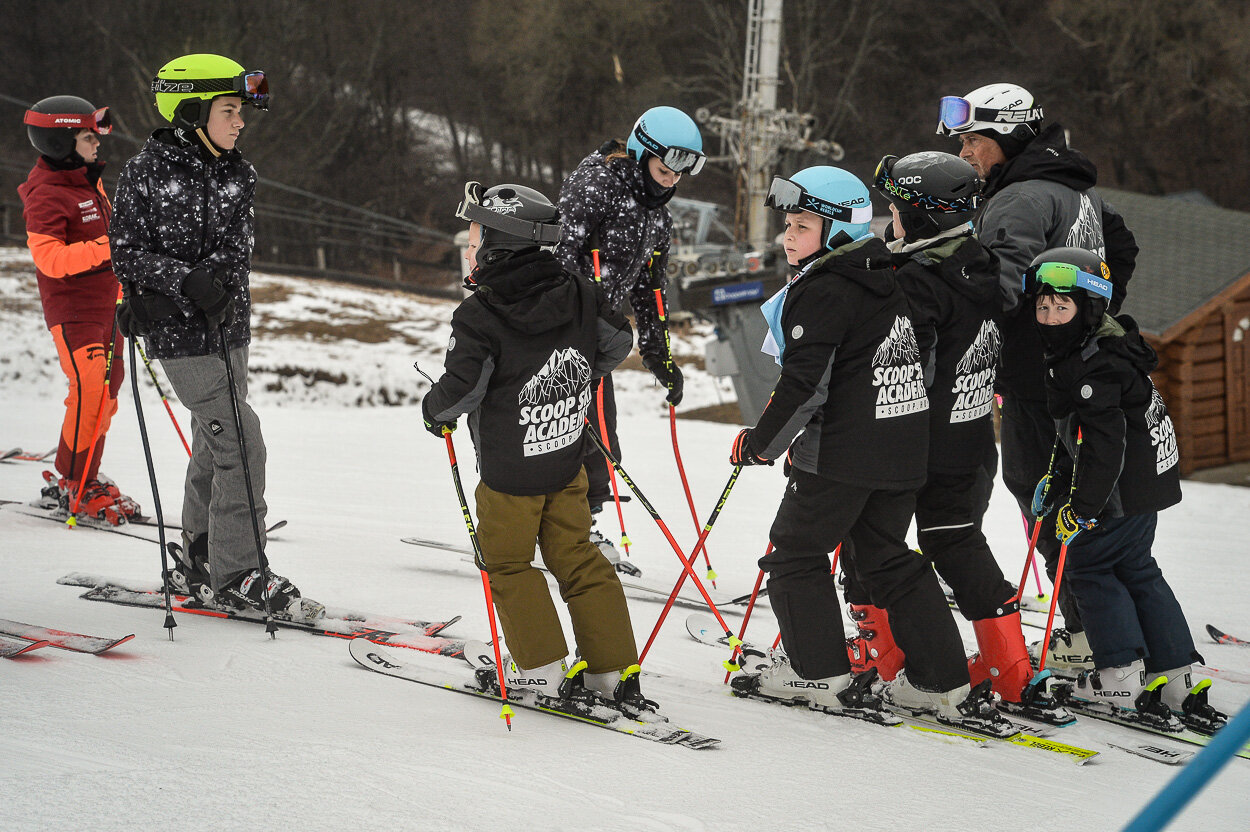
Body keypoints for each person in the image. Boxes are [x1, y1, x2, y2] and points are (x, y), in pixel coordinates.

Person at [726, 165, 1009, 734]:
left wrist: (761, 444)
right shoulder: (890, 274)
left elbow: (806, 384)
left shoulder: (825, 288)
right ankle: (941, 682)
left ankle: (818, 674)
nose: (787, 237)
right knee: (885, 559)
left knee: (794, 557)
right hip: (904, 451)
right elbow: (921, 361)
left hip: (843, 456)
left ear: (834, 231)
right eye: (787, 224)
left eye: (801, 225)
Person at [850, 150, 1067, 722]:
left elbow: (901, 369)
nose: (888, 221)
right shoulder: (985, 266)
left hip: (916, 449)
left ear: (919, 219)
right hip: (971, 443)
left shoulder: (919, 285)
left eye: (895, 211)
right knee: (957, 541)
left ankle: (889, 658)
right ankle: (1012, 669)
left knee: (872, 546)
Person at [421, 182, 651, 714]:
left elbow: (463, 388)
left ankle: (542, 671)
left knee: (507, 563)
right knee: (578, 558)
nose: (471, 243)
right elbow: (618, 341)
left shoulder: (480, 314)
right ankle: (611, 671)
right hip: (566, 462)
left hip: (508, 476)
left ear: (500, 239)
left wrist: (435, 412)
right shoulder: (579, 290)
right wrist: (575, 379)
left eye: (477, 232)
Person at [936, 83, 1139, 673]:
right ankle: (1109, 622)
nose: (967, 153)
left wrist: (953, 325)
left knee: (1041, 493)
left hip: (1034, 377)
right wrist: (1090, 313)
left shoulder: (1019, 198)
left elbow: (997, 286)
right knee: (1083, 494)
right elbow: (1120, 247)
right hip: (1071, 368)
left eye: (974, 140)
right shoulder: (1075, 192)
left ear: (1007, 136)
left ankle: (1085, 630)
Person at [110, 53, 316, 618]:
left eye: (241, 111)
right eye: (229, 110)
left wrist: (212, 282)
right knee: (242, 443)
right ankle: (239, 573)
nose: (240, 122)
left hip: (229, 325)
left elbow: (238, 245)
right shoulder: (145, 172)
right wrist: (181, 282)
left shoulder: (239, 172)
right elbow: (125, 251)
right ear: (191, 111)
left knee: (214, 440)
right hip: (179, 338)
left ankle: (199, 556)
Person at [1025, 247, 1222, 733]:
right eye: (1043, 307)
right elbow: (1074, 435)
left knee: (1091, 567)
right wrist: (1058, 474)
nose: (1050, 319)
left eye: (1062, 308)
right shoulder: (1099, 348)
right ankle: (1174, 674)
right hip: (1143, 486)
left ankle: (1119, 675)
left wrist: (1081, 507)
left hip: (1117, 490)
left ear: (1089, 308)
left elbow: (1105, 445)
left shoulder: (1094, 366)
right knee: (1136, 567)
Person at [554, 105, 705, 568]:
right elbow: (558, 254)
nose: (671, 182)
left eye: (681, 174)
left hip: (598, 336)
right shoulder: (597, 186)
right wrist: (575, 316)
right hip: (558, 326)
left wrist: (659, 356)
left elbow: (650, 289)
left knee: (602, 434)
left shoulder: (659, 218)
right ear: (641, 155)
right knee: (557, 429)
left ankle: (583, 524)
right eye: (664, 169)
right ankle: (553, 524)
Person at [19, 95, 140, 524]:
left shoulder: (87, 181)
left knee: (106, 396)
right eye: (89, 137)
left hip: (109, 307)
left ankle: (84, 475)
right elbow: (50, 259)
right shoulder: (46, 193)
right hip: (74, 312)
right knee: (89, 393)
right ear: (61, 143)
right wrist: (111, 248)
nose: (97, 145)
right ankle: (73, 481)